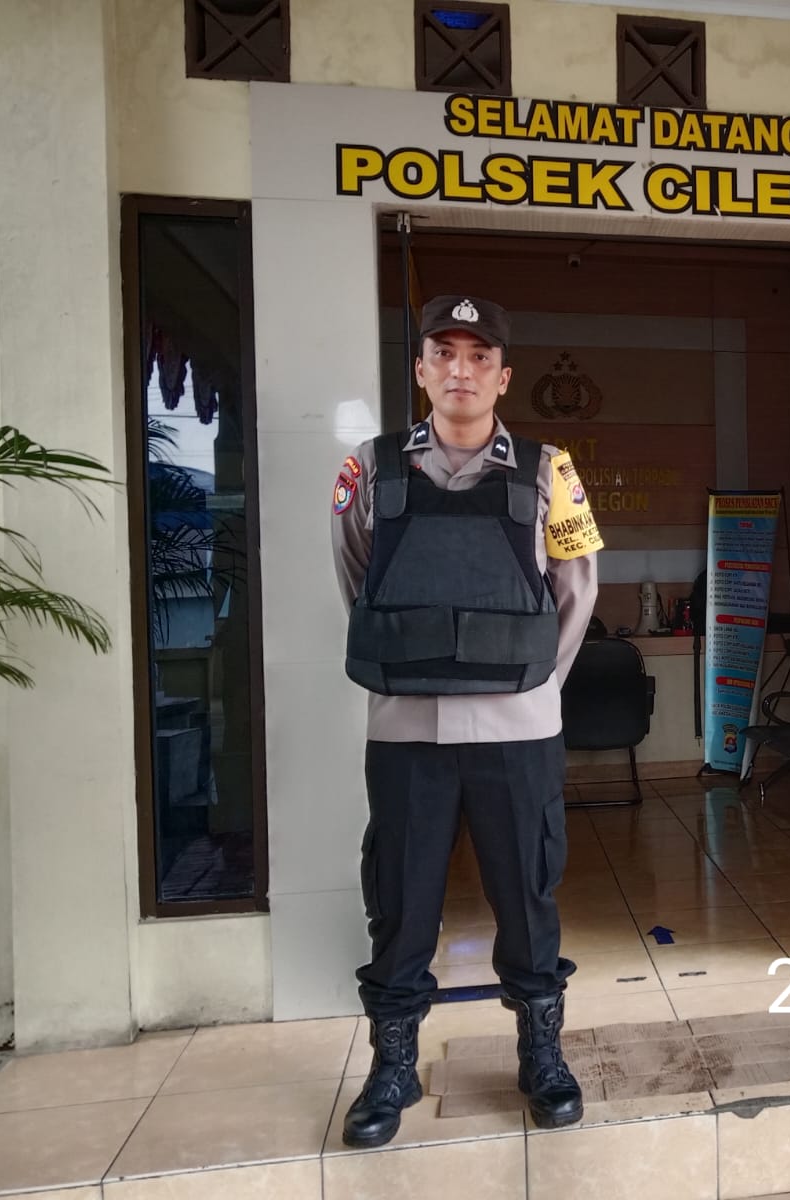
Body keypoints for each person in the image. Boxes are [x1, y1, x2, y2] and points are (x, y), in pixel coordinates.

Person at [331, 294, 602, 1146]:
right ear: (419, 368)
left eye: (479, 355)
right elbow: (360, 581)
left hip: (517, 730)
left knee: (527, 893)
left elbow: (577, 589)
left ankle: (542, 1056)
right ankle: (392, 1067)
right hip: (406, 730)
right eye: (443, 353)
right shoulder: (369, 468)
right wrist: (410, 659)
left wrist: (530, 686)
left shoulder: (550, 470)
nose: (461, 369)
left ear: (503, 376)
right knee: (400, 898)